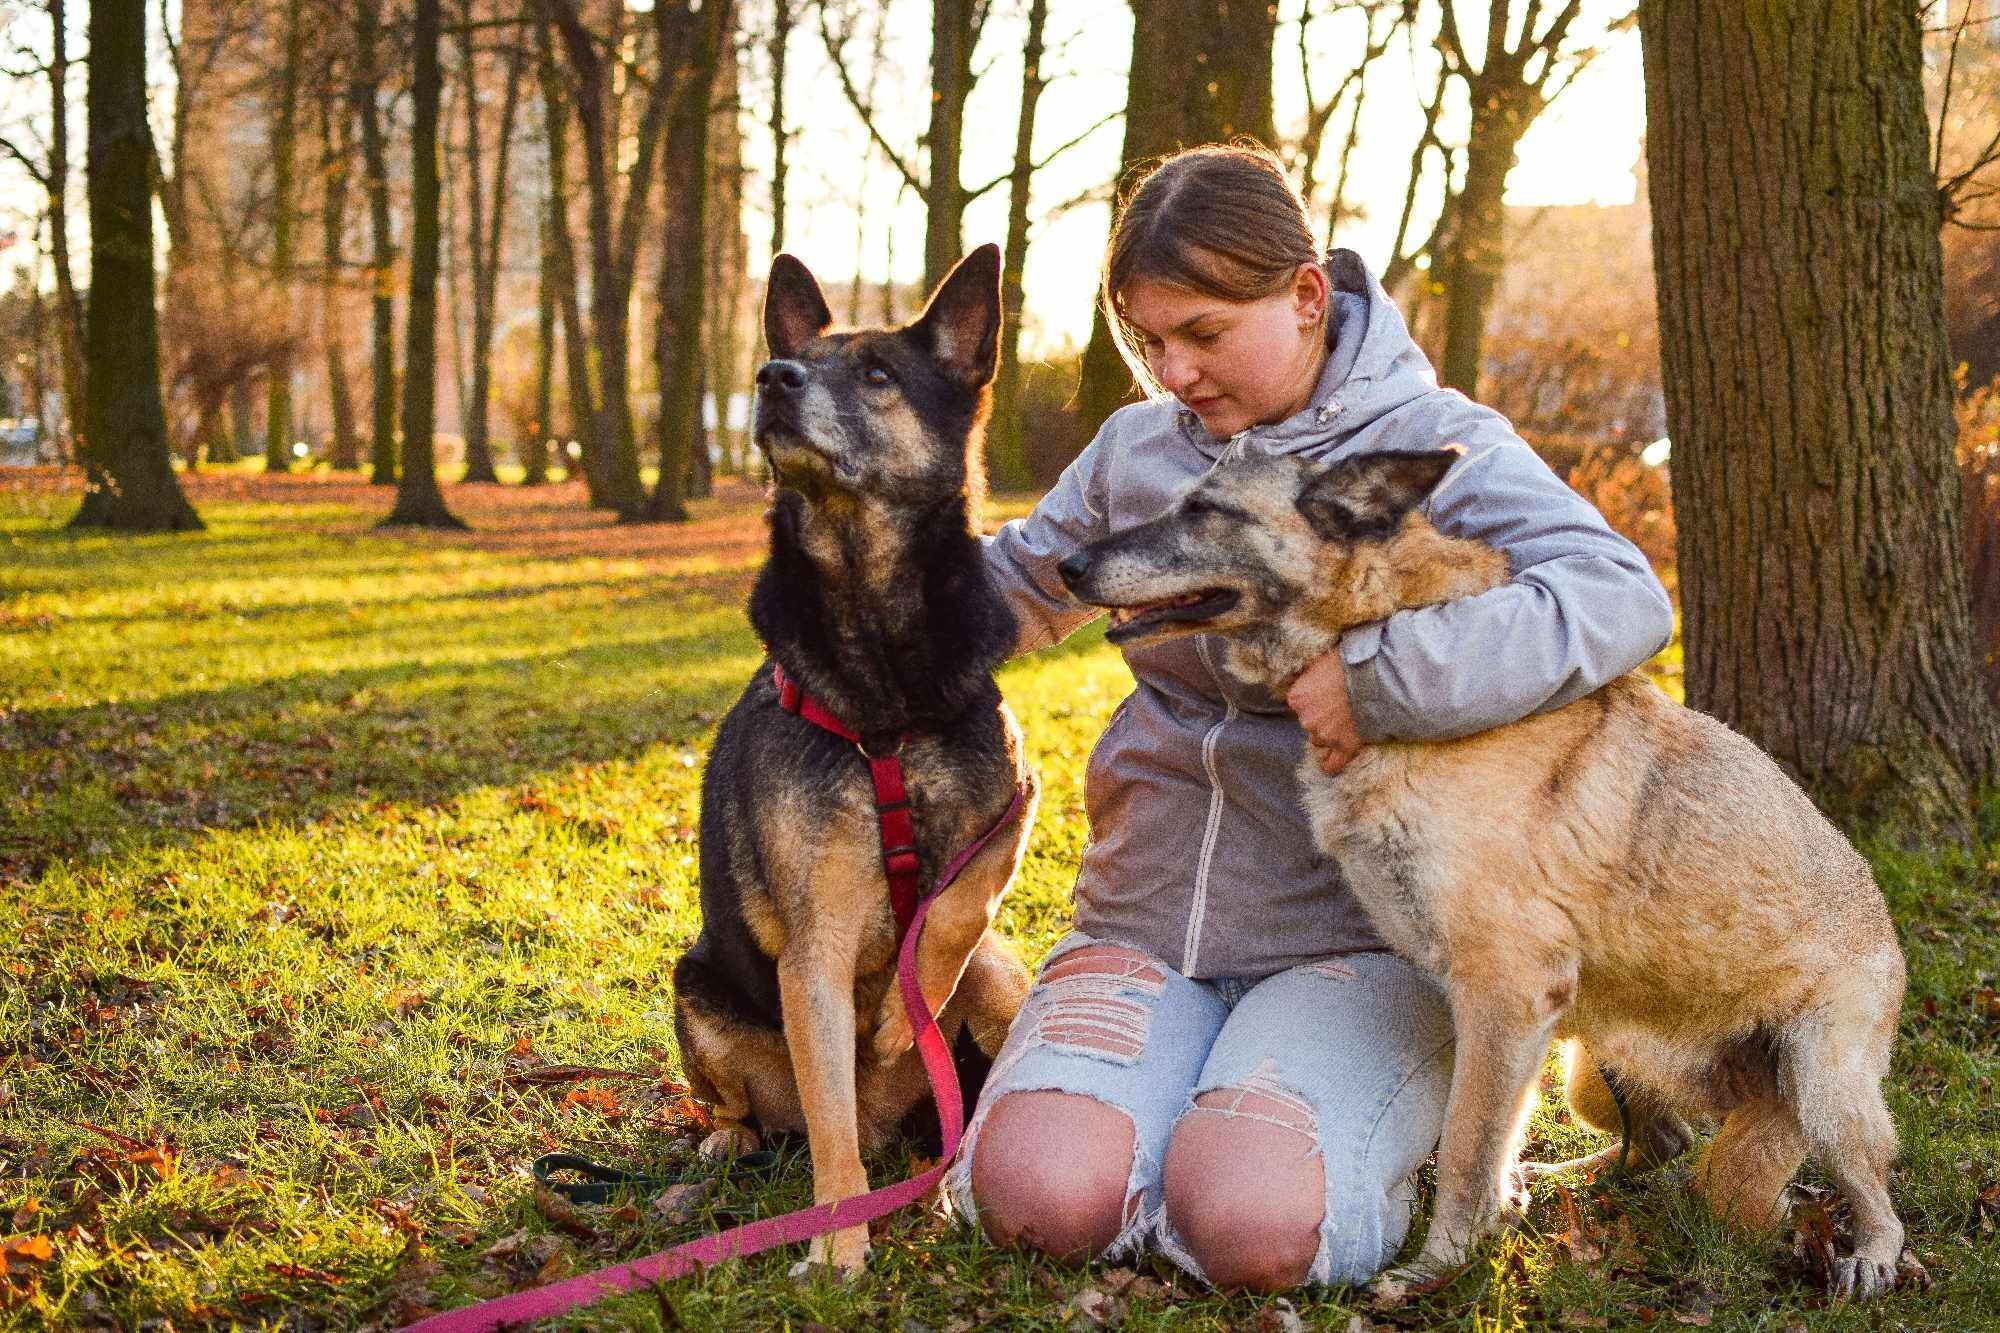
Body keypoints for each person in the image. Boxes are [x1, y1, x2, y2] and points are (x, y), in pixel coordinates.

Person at [943, 142, 1674, 1291]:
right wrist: (852, 602)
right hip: (1141, 919)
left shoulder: (1429, 445)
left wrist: (1379, 675)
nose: (1171, 371)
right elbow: (1018, 588)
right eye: (1146, 339)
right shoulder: (1137, 450)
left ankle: (1370, 1133)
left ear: (1301, 296)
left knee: (1250, 1225)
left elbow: (1615, 596)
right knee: (1038, 1199)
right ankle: (1172, 1110)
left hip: (1352, 938)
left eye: (1202, 333)